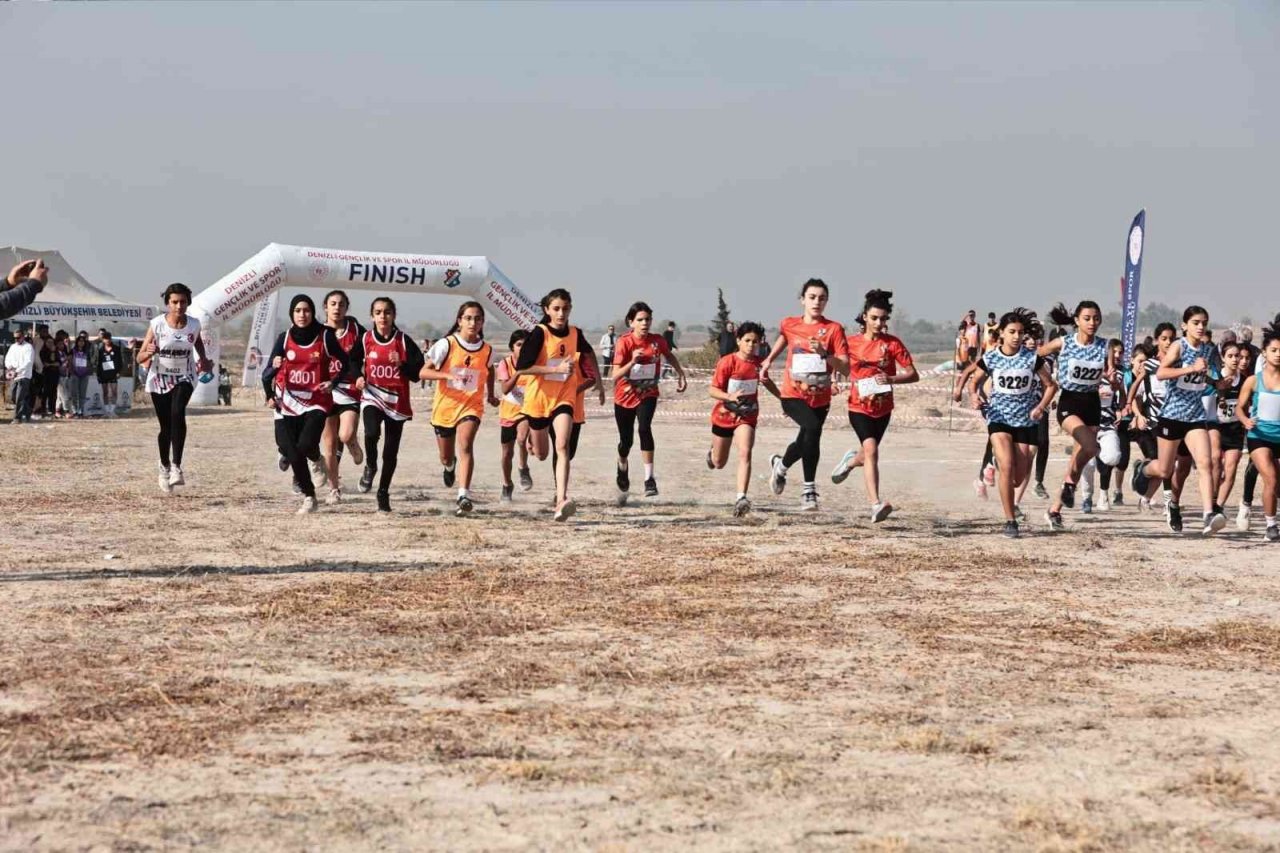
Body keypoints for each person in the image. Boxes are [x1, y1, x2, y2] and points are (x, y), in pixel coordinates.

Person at [957, 308, 1057, 537]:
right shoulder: (992, 357)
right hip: (998, 417)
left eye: (1020, 332)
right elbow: (975, 381)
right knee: (1007, 464)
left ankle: (996, 464)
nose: (1016, 336)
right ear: (1001, 333)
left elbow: (1051, 386)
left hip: (1025, 421)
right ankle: (1010, 520)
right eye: (1011, 332)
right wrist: (974, 395)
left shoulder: (1032, 358)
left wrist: (1040, 407)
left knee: (1017, 478)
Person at [1131, 306, 1227, 535]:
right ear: (1185, 326)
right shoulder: (1179, 346)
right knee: (1165, 471)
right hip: (1172, 415)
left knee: (1205, 463)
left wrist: (1219, 384)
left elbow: (1207, 376)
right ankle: (1143, 470)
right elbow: (1162, 373)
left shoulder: (1207, 349)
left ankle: (1208, 515)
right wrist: (1188, 368)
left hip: (1194, 415)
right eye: (1195, 322)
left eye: (1204, 322)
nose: (1201, 326)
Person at [830, 289, 919, 523]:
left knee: (867, 453)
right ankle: (875, 504)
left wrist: (891, 379)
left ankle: (850, 461)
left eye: (883, 319)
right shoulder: (851, 343)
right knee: (872, 451)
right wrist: (834, 382)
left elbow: (913, 374)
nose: (879, 323)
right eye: (874, 318)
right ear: (865, 317)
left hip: (883, 408)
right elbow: (838, 365)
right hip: (858, 407)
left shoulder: (892, 344)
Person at [761, 278, 850, 511]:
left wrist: (824, 354)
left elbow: (845, 367)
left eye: (821, 298)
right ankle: (808, 491)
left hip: (820, 398)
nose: (816, 302)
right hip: (792, 394)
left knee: (806, 440)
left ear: (827, 301)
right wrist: (769, 360)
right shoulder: (790, 324)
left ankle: (780, 466)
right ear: (802, 300)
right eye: (812, 297)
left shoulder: (834, 329)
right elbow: (784, 337)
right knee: (811, 430)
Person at [515, 288, 597, 522]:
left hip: (564, 397)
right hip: (538, 400)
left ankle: (561, 500)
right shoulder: (539, 333)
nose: (561, 313)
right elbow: (522, 367)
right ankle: (533, 443)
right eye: (557, 309)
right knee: (542, 454)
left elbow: (589, 354)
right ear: (547, 310)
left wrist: (598, 382)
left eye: (566, 308)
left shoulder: (575, 333)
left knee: (563, 446)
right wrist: (555, 369)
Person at [262, 294, 348, 514]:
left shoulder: (325, 336)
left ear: (313, 312)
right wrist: (270, 392)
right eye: (298, 311)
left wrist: (333, 382)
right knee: (289, 449)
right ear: (292, 314)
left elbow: (346, 363)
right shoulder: (284, 338)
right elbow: (267, 373)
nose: (302, 315)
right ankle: (310, 496)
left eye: (306, 310)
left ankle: (314, 458)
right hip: (287, 401)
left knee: (304, 445)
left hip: (316, 401)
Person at [1037, 301, 1111, 531]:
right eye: (1087, 318)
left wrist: (1113, 379)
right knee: (1090, 447)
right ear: (1077, 320)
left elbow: (1109, 373)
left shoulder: (1104, 345)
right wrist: (1046, 381)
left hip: (1092, 403)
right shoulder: (1065, 342)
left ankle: (1055, 510)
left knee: (1077, 462)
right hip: (1069, 401)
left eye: (1096, 318)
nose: (1092, 323)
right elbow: (1036, 357)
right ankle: (1069, 486)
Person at [422, 301, 498, 516]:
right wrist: (446, 375)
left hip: (471, 406)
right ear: (459, 321)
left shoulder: (487, 349)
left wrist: (491, 394)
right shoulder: (447, 344)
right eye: (468, 318)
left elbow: (490, 370)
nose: (473, 323)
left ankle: (463, 495)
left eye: (477, 319)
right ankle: (449, 467)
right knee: (446, 456)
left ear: (483, 322)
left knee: (466, 445)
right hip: (445, 407)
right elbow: (423, 372)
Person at [351, 297, 425, 513]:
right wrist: (357, 376)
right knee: (371, 433)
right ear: (372, 315)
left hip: (396, 401)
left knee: (390, 453)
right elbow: (352, 361)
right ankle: (370, 466)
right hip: (373, 396)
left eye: (387, 312)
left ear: (394, 316)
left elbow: (417, 374)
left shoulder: (403, 341)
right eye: (378, 312)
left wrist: (401, 364)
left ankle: (383, 492)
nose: (383, 316)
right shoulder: (365, 339)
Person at [137, 282, 213, 494]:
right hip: (160, 378)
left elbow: (199, 348)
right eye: (174, 302)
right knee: (166, 427)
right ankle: (164, 467)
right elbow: (139, 356)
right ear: (168, 303)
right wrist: (149, 352)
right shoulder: (157, 324)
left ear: (188, 302)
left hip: (184, 376)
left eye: (183, 302)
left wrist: (205, 362)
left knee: (178, 413)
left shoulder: (194, 325)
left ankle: (177, 467)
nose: (179, 306)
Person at [611, 301, 688, 499]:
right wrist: (632, 362)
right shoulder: (624, 342)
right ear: (631, 322)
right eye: (640, 320)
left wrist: (680, 372)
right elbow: (615, 374)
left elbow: (669, 355)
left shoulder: (657, 341)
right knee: (626, 442)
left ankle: (649, 479)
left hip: (648, 393)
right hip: (625, 396)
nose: (645, 323)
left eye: (647, 319)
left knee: (644, 428)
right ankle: (622, 465)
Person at [707, 321, 778, 516]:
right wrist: (728, 396)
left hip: (746, 416)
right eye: (747, 340)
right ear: (738, 341)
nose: (751, 345)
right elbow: (712, 390)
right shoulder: (727, 362)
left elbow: (767, 382)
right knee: (719, 463)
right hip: (723, 416)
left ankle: (741, 498)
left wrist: (783, 399)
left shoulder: (758, 364)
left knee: (745, 452)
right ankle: (712, 453)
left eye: (755, 342)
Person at [318, 290, 366, 504]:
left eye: (341, 304)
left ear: (347, 308)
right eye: (333, 304)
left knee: (345, 435)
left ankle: (353, 443)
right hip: (326, 392)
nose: (337, 308)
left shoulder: (356, 330)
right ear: (325, 308)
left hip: (349, 390)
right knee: (328, 444)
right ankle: (334, 489)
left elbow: (371, 347)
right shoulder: (317, 332)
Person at [1235, 314, 1280, 542]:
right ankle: (1271, 525)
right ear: (1264, 353)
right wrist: (1245, 421)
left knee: (1277, 484)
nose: (1279, 354)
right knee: (1270, 478)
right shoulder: (1253, 381)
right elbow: (1239, 409)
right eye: (1274, 350)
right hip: (1259, 436)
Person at [495, 330, 534, 502]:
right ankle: (506, 484)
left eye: (526, 345)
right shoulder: (505, 364)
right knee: (506, 453)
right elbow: (504, 389)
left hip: (526, 411)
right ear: (512, 347)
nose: (523, 348)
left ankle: (523, 467)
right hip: (508, 413)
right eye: (519, 345)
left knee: (522, 438)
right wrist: (517, 373)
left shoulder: (534, 364)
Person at [1210, 340, 1247, 520]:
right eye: (1230, 356)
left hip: (1235, 428)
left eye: (1237, 356)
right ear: (1223, 359)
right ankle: (1212, 497)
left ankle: (1218, 506)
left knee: (1231, 468)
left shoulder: (1245, 380)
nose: (1234, 359)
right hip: (1215, 425)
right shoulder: (1215, 378)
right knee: (1215, 458)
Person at [4, 329, 35, 423]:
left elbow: (28, 362)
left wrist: (17, 370)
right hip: (14, 375)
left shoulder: (28, 347)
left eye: (18, 338)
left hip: (24, 375)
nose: (16, 340)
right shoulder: (13, 347)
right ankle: (28, 410)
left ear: (23, 337)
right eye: (14, 338)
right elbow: (7, 359)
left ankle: (17, 418)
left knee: (19, 397)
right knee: (13, 397)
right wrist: (9, 367)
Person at [95, 331, 122, 418]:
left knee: (114, 391)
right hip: (103, 373)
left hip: (113, 373)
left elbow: (120, 361)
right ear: (103, 340)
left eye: (109, 338)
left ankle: (112, 411)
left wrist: (119, 372)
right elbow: (98, 363)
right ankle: (107, 411)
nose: (107, 340)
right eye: (105, 339)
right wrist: (98, 374)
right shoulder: (100, 350)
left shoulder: (116, 348)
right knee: (105, 392)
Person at [68, 333, 93, 417]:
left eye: (83, 341)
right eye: (80, 341)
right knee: (74, 393)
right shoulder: (72, 351)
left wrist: (88, 371)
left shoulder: (87, 351)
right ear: (77, 342)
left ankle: (81, 410)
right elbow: (70, 361)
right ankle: (74, 410)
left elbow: (90, 362)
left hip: (84, 375)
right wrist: (72, 371)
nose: (81, 342)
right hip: (75, 374)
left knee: (82, 394)